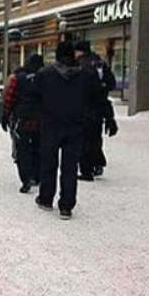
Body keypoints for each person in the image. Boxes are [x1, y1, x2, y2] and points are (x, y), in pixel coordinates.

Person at [35, 42, 102, 220]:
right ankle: (66, 205)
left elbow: (36, 99)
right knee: (70, 166)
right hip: (75, 126)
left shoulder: (45, 74)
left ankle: (46, 198)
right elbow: (95, 99)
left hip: (51, 125)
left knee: (49, 163)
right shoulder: (85, 75)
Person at [74, 41, 118, 181]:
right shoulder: (100, 62)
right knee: (95, 137)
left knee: (83, 139)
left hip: (85, 107)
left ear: (80, 51)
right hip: (100, 106)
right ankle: (98, 163)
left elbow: (80, 88)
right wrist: (103, 88)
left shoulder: (81, 65)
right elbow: (111, 83)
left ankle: (86, 171)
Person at [2, 54, 45, 194]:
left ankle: (26, 179)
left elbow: (10, 98)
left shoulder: (19, 78)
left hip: (22, 119)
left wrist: (6, 115)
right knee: (39, 148)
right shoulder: (44, 77)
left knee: (22, 149)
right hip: (40, 120)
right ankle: (37, 176)